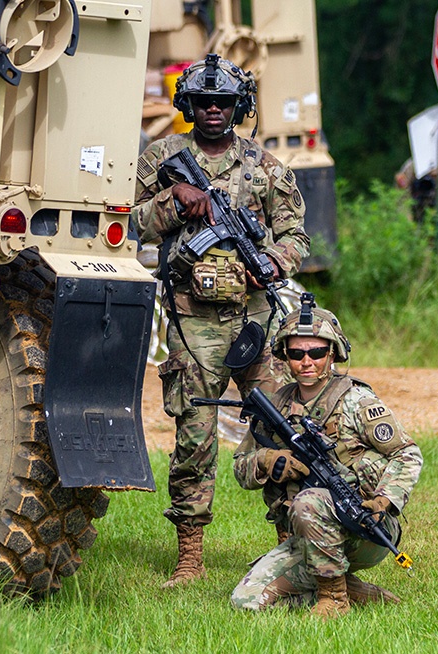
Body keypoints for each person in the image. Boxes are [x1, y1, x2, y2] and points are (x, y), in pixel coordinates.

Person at [133, 54, 310, 588]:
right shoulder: (162, 157)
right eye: (204, 101)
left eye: (224, 102)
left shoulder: (266, 167)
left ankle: (289, 544)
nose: (213, 110)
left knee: (283, 429)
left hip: (256, 320)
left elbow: (297, 236)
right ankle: (190, 556)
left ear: (239, 106)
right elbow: (125, 222)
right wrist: (173, 199)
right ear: (187, 105)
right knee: (195, 434)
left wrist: (272, 265)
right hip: (192, 322)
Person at [230, 299, 423, 617]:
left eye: (316, 353)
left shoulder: (356, 402)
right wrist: (267, 461)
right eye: (297, 353)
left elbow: (407, 453)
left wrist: (384, 500)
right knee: (246, 601)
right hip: (311, 535)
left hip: (366, 529)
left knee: (309, 502)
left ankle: (334, 599)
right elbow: (240, 466)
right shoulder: (276, 404)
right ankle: (353, 589)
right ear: (285, 357)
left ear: (332, 354)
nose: (306, 362)